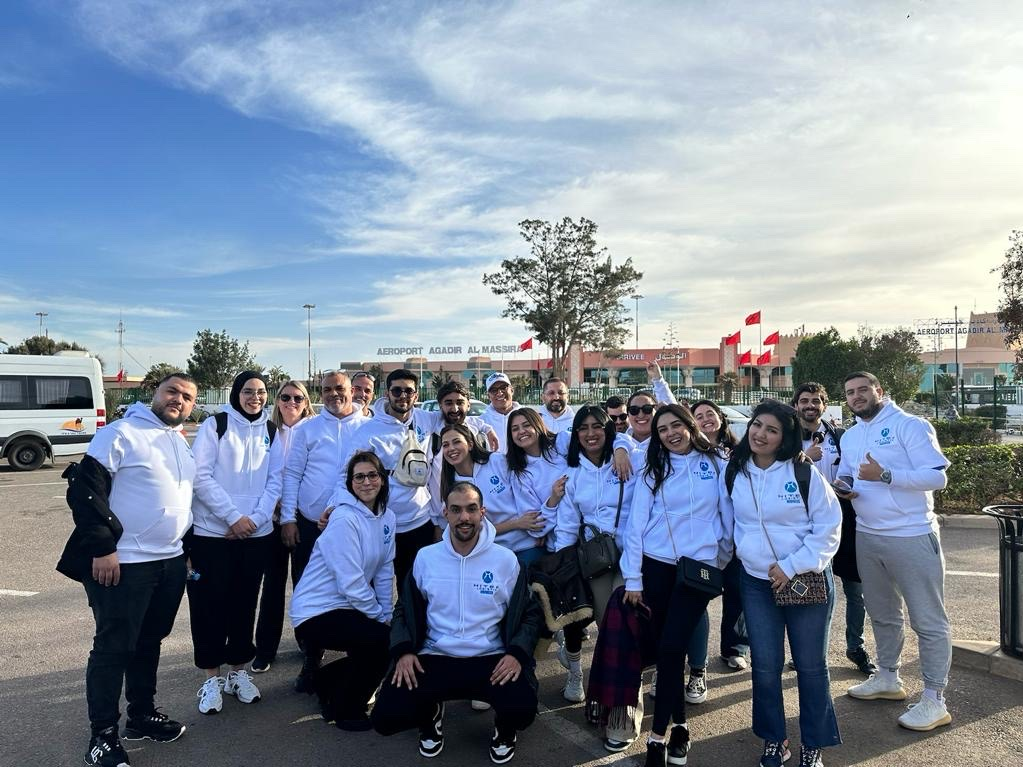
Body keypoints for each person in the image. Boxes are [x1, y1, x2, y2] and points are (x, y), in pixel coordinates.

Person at [58, 373, 198, 767]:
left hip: (168, 561)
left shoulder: (179, 441)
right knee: (112, 648)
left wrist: (183, 549)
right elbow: (87, 491)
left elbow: (181, 501)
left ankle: (141, 715)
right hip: (124, 562)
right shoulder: (121, 432)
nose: (179, 400)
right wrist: (103, 548)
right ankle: (102, 735)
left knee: (148, 641)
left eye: (187, 397)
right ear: (154, 394)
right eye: (172, 391)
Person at [371, 482, 543, 764]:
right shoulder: (426, 558)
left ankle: (505, 728)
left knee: (522, 709)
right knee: (386, 717)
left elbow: (530, 614)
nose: (464, 517)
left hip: (491, 659)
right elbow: (403, 610)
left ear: (482, 513)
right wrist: (403, 651)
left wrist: (515, 654)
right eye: (456, 510)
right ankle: (430, 714)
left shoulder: (506, 561)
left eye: (471, 509)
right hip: (435, 656)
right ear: (446, 514)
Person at [724, 399, 842, 767]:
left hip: (805, 581)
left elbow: (828, 530)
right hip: (757, 584)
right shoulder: (736, 470)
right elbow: (731, 523)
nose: (760, 434)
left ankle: (814, 744)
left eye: (771, 430)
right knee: (764, 666)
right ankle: (774, 739)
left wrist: (792, 566)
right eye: (757, 425)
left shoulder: (804, 473)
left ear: (785, 437)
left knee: (810, 666)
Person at [838, 372, 953, 732]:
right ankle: (888, 678)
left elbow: (937, 477)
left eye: (862, 390)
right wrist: (843, 488)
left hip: (912, 534)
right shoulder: (852, 434)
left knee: (928, 620)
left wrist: (886, 475)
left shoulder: (911, 426)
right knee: (883, 614)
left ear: (879, 391)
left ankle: (935, 699)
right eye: (850, 393)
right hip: (868, 535)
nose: (856, 397)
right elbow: (847, 475)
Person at [620, 404, 733, 767]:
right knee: (668, 653)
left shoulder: (716, 462)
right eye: (662, 429)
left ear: (690, 426)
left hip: (697, 571)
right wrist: (634, 578)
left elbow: (727, 517)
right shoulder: (654, 468)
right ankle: (681, 727)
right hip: (656, 567)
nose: (670, 433)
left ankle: (657, 738)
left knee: (670, 649)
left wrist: (720, 559)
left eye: (676, 425)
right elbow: (635, 527)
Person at [188, 371, 285, 715]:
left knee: (245, 605)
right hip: (212, 536)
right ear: (236, 394)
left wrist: (254, 521)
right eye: (248, 391)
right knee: (208, 606)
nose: (255, 398)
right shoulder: (215, 426)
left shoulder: (272, 432)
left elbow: (276, 481)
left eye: (261, 392)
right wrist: (232, 517)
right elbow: (200, 477)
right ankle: (211, 678)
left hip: (255, 536)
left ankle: (238, 673)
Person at [551, 406, 637, 744]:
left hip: (633, 556)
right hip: (596, 560)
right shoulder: (572, 474)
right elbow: (567, 525)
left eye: (597, 427)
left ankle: (624, 710)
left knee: (625, 626)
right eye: (583, 428)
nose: (590, 434)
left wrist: (623, 447)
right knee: (610, 631)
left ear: (608, 430)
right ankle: (612, 697)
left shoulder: (628, 458)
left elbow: (644, 443)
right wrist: (562, 568)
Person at [289, 451, 394, 731]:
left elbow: (384, 571)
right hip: (315, 612)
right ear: (349, 483)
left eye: (373, 475)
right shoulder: (344, 519)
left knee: (383, 637)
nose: (366, 482)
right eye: (358, 477)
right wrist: (378, 617)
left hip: (347, 607)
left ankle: (324, 682)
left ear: (383, 479)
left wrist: (385, 613)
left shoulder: (388, 517)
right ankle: (345, 710)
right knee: (382, 642)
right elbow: (351, 583)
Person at [281, 370, 368, 692]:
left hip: (353, 526)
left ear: (352, 391)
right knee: (309, 592)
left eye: (340, 388)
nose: (334, 394)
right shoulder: (308, 429)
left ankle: (359, 658)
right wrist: (287, 518)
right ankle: (311, 658)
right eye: (328, 389)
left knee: (357, 590)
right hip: (309, 523)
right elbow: (292, 474)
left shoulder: (367, 427)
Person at [790, 382, 876, 677]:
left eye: (816, 400)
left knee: (856, 591)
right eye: (804, 400)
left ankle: (856, 647)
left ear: (824, 405)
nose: (810, 405)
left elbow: (851, 473)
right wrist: (803, 458)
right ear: (796, 405)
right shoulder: (787, 441)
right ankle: (809, 651)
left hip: (846, 522)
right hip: (806, 527)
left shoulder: (841, 437)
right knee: (811, 594)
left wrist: (847, 486)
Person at [341, 369, 437, 587]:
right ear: (387, 393)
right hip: (381, 519)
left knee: (415, 587)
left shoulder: (426, 419)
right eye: (397, 390)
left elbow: (457, 418)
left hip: (420, 520)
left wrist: (485, 427)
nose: (403, 395)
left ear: (416, 395)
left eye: (408, 391)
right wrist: (335, 505)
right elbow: (346, 473)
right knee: (375, 585)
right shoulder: (368, 431)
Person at [681, 399, 748, 710]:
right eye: (699, 415)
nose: (706, 419)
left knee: (735, 593)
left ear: (720, 419)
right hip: (700, 543)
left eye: (710, 414)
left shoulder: (739, 450)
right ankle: (684, 659)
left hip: (736, 536)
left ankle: (733, 647)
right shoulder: (684, 452)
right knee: (695, 603)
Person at [251, 380, 316, 674]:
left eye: (298, 397)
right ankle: (265, 648)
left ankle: (308, 642)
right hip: (270, 519)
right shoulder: (266, 431)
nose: (291, 402)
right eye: (285, 397)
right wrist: (273, 505)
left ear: (306, 401)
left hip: (301, 518)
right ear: (276, 401)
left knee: (304, 584)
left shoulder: (314, 429)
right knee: (272, 586)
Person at [438, 423, 544, 564]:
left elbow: (526, 494)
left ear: (470, 444)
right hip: (492, 552)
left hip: (529, 544)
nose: (451, 448)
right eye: (445, 445)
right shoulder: (451, 487)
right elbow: (474, 530)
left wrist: (539, 529)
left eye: (456, 442)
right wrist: (517, 524)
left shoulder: (496, 461)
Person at [505, 407, 568, 554]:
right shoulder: (520, 474)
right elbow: (535, 527)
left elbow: (602, 439)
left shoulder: (561, 442)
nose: (521, 431)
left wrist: (620, 450)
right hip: (560, 547)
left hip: (591, 532)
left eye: (527, 425)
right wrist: (553, 500)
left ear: (538, 425)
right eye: (515, 429)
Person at [480, 373, 521, 452]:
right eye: (493, 390)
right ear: (488, 396)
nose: (499, 393)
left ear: (512, 390)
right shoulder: (482, 421)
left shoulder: (527, 416)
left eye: (503, 388)